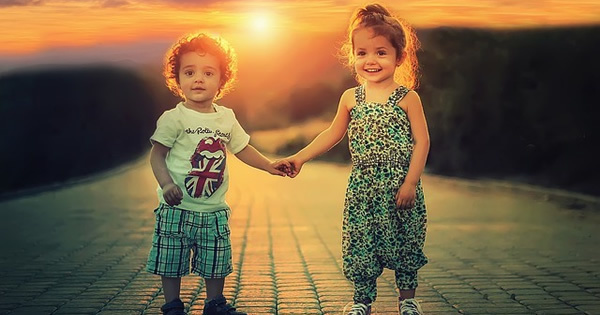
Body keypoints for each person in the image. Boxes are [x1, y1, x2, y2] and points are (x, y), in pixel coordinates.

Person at [284, 3, 429, 315]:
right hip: (362, 188)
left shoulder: (407, 98)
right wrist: (300, 157)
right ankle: (362, 301)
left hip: (399, 186)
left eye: (380, 52)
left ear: (399, 56)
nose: (371, 60)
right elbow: (332, 134)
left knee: (405, 242)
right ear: (353, 56)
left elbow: (422, 141)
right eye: (362, 53)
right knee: (361, 243)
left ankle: (408, 300)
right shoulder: (350, 97)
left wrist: (411, 182)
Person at [146, 32, 290, 315]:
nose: (198, 79)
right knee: (170, 259)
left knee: (216, 259)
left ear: (222, 81)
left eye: (208, 73)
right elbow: (157, 156)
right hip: (176, 209)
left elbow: (243, 148)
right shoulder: (173, 118)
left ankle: (215, 304)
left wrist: (269, 166)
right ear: (177, 79)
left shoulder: (226, 118)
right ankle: (172, 305)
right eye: (189, 72)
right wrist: (166, 184)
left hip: (213, 210)